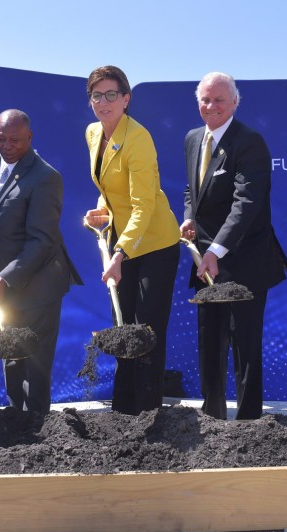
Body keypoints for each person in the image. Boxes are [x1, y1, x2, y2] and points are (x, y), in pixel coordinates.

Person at [180, 72, 287, 420]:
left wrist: (217, 250)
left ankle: (249, 422)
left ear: (235, 103)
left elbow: (247, 204)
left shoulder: (249, 142)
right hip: (205, 261)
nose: (211, 106)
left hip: (244, 261)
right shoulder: (193, 139)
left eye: (219, 100)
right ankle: (212, 417)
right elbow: (192, 190)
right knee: (209, 342)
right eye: (205, 99)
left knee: (244, 345)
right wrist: (189, 218)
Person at [0, 109, 81, 413]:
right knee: (12, 358)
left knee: (35, 368)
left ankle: (37, 431)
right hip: (6, 284)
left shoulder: (45, 177)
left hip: (39, 285)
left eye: (16, 139)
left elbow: (42, 240)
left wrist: (6, 279)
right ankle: (16, 423)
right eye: (2, 139)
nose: (8, 145)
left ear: (29, 137)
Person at [84, 65, 180, 416]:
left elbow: (143, 204)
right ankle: (123, 412)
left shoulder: (139, 138)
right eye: (97, 95)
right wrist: (101, 212)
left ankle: (148, 416)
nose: (104, 102)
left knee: (146, 332)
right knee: (122, 327)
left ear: (126, 99)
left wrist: (119, 253)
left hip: (154, 243)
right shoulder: (93, 133)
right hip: (122, 242)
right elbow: (110, 190)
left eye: (112, 94)